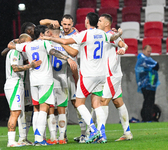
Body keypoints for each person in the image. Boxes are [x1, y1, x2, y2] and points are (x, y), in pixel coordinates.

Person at [40, 12, 123, 143]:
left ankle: (93, 130)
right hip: (102, 74)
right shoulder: (103, 34)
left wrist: (49, 39)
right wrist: (118, 33)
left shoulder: (85, 34)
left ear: (87, 21)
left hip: (88, 74)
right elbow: (114, 38)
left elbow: (65, 41)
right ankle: (102, 134)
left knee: (79, 103)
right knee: (96, 104)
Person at [8, 25, 76, 146]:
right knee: (44, 108)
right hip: (45, 80)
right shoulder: (44, 43)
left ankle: (37, 138)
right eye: (47, 33)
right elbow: (54, 52)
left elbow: (10, 46)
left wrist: (17, 41)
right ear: (41, 34)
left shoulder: (27, 45)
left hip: (33, 81)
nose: (49, 35)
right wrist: (68, 58)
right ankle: (39, 139)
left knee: (37, 109)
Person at [40, 14, 87, 143]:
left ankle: (84, 132)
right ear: (61, 23)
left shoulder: (75, 34)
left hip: (72, 74)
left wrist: (60, 41)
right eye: (64, 24)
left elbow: (73, 53)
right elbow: (42, 21)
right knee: (59, 107)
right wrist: (51, 20)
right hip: (59, 74)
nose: (66, 27)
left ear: (72, 24)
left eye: (69, 25)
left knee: (76, 103)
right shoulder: (58, 32)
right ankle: (62, 135)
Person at [97, 14, 133, 141]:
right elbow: (122, 44)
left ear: (107, 24)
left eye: (100, 21)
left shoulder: (110, 35)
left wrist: (123, 48)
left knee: (103, 101)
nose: (98, 22)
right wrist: (123, 47)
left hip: (111, 74)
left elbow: (122, 43)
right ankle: (127, 133)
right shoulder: (102, 34)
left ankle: (101, 134)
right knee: (118, 102)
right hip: (111, 74)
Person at [4, 33, 42, 147]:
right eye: (28, 42)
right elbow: (15, 68)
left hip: (17, 84)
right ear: (22, 43)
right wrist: (32, 65)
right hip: (14, 84)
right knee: (15, 112)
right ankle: (11, 141)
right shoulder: (15, 52)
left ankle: (20, 139)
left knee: (18, 112)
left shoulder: (19, 53)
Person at [47, 26, 77, 144]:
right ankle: (62, 138)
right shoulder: (65, 47)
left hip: (50, 82)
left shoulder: (47, 45)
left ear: (50, 34)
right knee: (62, 111)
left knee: (50, 110)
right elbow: (73, 56)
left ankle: (53, 137)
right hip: (63, 81)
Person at [135, 45, 160, 122]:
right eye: (148, 51)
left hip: (151, 84)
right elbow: (156, 66)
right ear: (144, 51)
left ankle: (147, 117)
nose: (149, 53)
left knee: (149, 101)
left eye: (150, 51)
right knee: (148, 102)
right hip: (146, 85)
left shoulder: (147, 60)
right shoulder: (143, 59)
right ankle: (146, 118)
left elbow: (156, 66)